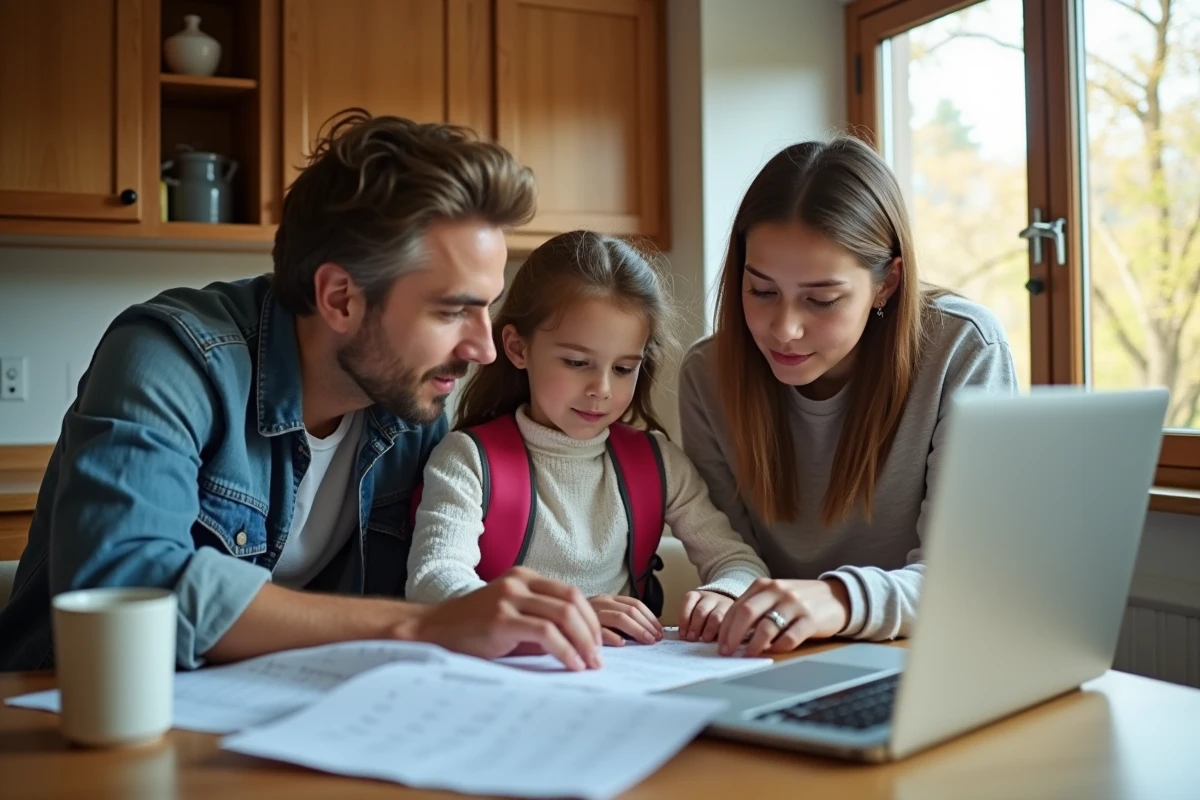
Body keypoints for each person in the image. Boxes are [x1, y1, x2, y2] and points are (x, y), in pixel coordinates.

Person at [0, 110, 607, 674]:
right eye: (452, 312)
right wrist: (425, 625)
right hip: (67, 725)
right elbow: (124, 587)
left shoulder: (411, 408)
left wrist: (553, 610)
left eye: (486, 310)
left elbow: (440, 572)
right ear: (340, 297)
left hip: (275, 728)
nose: (484, 349)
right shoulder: (172, 357)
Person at [677, 136, 1019, 658]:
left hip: (930, 660)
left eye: (822, 300)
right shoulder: (708, 375)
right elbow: (735, 557)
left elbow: (965, 579)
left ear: (887, 283)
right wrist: (729, 593)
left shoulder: (963, 348)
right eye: (761, 291)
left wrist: (837, 598)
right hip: (784, 660)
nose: (784, 329)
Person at [406, 230, 770, 646]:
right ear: (517, 347)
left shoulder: (659, 462)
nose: (602, 389)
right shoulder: (468, 459)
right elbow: (432, 579)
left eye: (623, 368)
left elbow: (739, 562)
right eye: (578, 362)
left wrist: (723, 594)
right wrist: (561, 617)